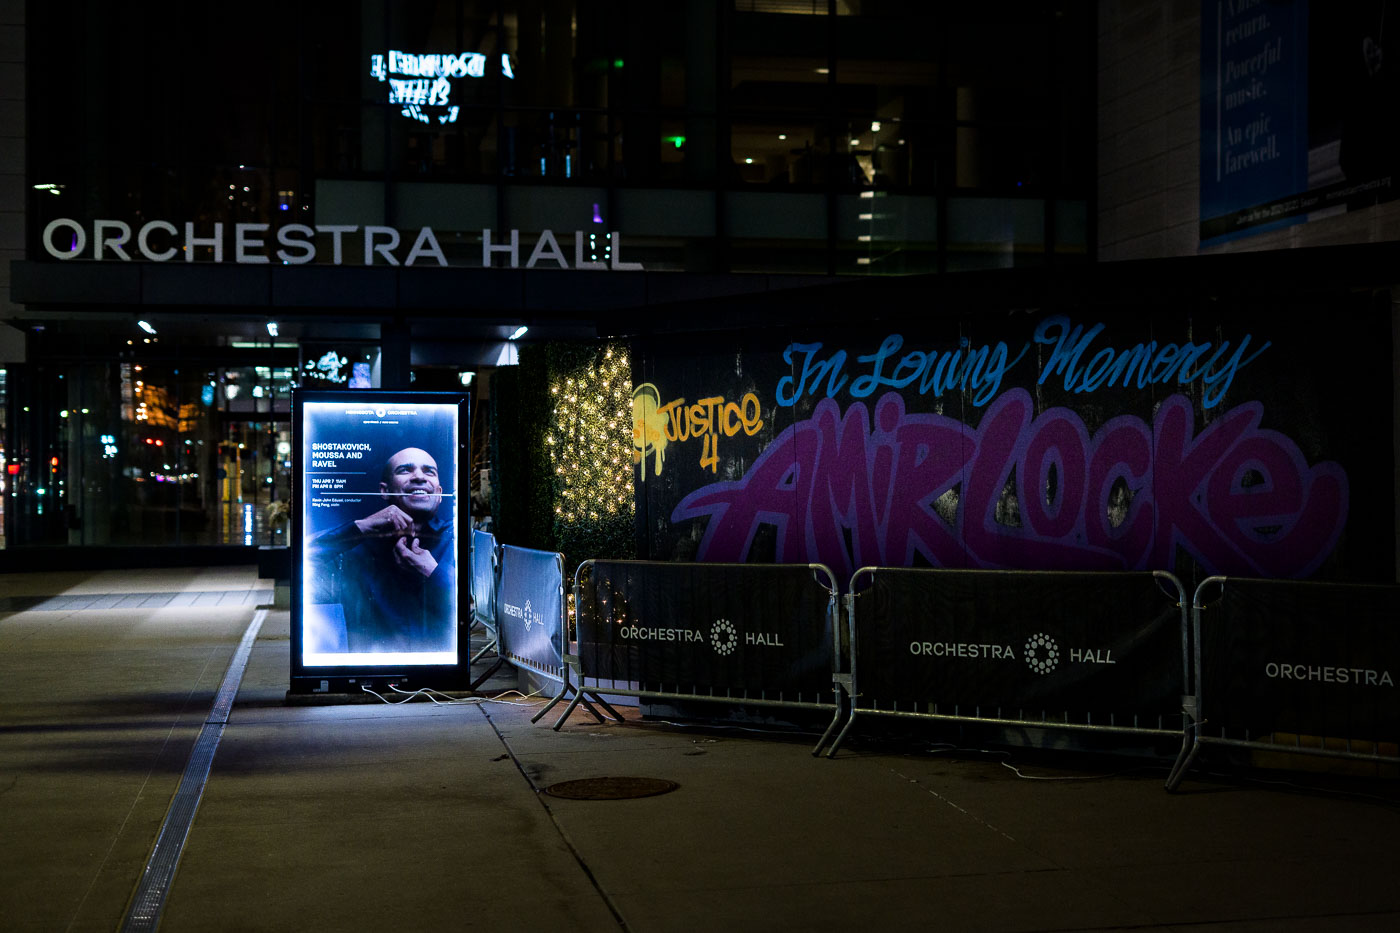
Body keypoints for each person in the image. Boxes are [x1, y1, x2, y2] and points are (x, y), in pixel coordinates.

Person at [308, 446, 456, 653]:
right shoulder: (356, 545)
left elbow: (475, 609)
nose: (419, 477)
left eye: (429, 471)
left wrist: (433, 572)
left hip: (439, 675)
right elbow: (302, 561)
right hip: (369, 668)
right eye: (405, 470)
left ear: (439, 494)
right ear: (384, 491)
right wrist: (360, 527)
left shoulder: (457, 539)